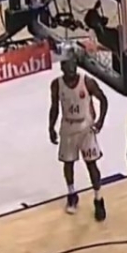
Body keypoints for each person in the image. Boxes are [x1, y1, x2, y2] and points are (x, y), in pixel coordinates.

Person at [49, 59, 109, 221]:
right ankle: (72, 194)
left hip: (85, 127)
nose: (72, 69)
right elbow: (54, 107)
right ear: (62, 68)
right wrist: (51, 127)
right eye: (68, 67)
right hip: (68, 127)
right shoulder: (56, 85)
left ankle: (98, 199)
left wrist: (100, 121)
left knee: (91, 164)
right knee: (68, 163)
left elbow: (103, 99)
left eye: (73, 66)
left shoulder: (87, 82)